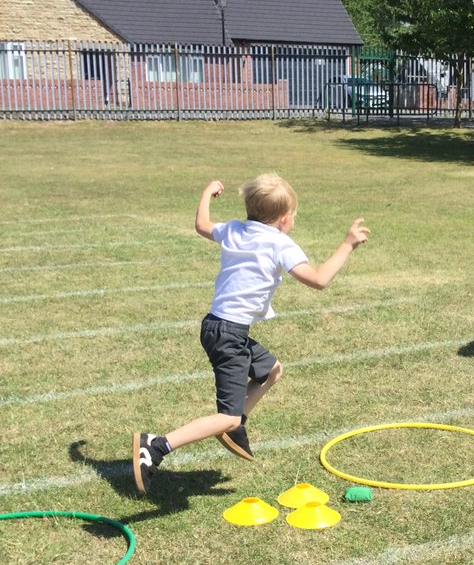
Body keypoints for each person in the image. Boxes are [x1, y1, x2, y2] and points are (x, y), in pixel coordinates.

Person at [133, 174, 370, 494]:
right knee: (225, 417)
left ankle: (237, 424)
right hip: (228, 335)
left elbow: (202, 225)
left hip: (217, 327)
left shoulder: (234, 229)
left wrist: (206, 192)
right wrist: (347, 244)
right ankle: (157, 445)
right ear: (285, 218)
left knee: (272, 370)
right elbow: (318, 280)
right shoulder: (280, 243)